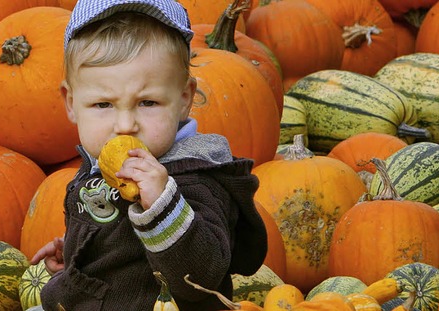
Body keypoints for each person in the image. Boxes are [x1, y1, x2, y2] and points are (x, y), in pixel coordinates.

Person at [31, 0, 267, 309]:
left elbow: (202, 278)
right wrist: (79, 254)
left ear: (184, 99)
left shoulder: (194, 179)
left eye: (148, 103)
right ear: (71, 103)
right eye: (103, 105)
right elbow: (117, 247)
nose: (125, 125)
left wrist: (163, 207)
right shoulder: (98, 164)